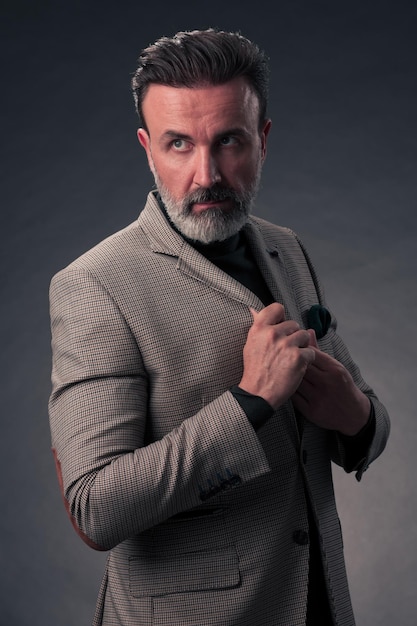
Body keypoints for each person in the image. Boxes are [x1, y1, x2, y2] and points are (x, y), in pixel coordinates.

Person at [48, 28, 390, 626]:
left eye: (228, 140)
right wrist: (250, 401)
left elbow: (365, 421)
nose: (206, 173)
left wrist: (356, 415)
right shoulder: (95, 284)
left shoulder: (289, 250)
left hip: (318, 605)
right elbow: (96, 508)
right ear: (147, 148)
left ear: (262, 141)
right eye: (178, 144)